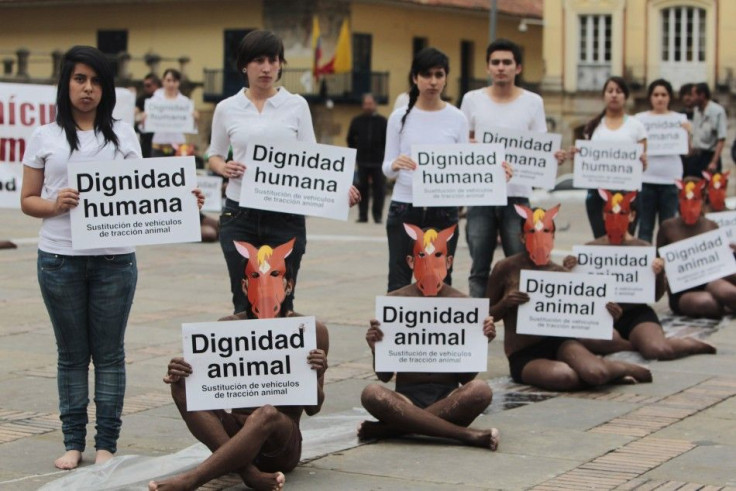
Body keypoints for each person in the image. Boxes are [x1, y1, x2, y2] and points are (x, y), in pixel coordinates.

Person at [19, 46, 203, 470]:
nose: (88, 89)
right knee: (70, 354)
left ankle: (106, 444)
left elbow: (144, 189)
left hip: (114, 261)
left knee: (109, 354)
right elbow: (28, 200)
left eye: (97, 81)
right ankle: (72, 443)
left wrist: (179, 197)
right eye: (80, 79)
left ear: (107, 89)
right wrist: (55, 204)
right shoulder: (45, 136)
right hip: (59, 258)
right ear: (65, 84)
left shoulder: (122, 134)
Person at [149, 238, 328, 491]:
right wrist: (182, 371)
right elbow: (205, 386)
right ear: (245, 285)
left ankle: (193, 479)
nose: (265, 287)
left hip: (281, 442)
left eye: (275, 277)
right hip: (233, 433)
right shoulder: (228, 327)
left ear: (289, 285)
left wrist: (318, 372)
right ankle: (248, 473)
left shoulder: (311, 330)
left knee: (266, 412)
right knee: (181, 386)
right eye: (255, 278)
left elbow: (314, 408)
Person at [207, 29, 360, 314]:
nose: (266, 68)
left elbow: (313, 160)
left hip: (285, 215)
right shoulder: (227, 108)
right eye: (258, 60)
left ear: (280, 64)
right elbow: (212, 154)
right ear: (244, 64)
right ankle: (247, 358)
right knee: (244, 300)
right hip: (239, 213)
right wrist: (223, 166)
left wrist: (340, 189)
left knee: (282, 300)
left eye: (273, 60)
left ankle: (282, 358)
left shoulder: (296, 105)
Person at [359, 223, 499, 450]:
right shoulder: (395, 301)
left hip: (449, 398)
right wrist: (376, 347)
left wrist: (480, 341)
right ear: (410, 262)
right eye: (421, 256)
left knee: (481, 390)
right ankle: (466, 435)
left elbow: (466, 378)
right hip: (406, 400)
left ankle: (392, 428)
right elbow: (384, 377)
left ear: (449, 261)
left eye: (438, 256)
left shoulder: (463, 304)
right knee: (372, 393)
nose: (429, 263)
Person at [486, 204, 653, 391]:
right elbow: (486, 316)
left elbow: (585, 313)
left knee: (596, 373)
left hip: (562, 343)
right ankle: (605, 376)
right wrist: (505, 304)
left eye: (547, 232)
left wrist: (609, 314)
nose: (540, 237)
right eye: (532, 231)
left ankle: (619, 369)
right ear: (522, 236)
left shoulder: (561, 273)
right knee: (564, 377)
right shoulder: (506, 268)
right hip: (523, 353)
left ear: (554, 236)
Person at [460, 38, 565, 298]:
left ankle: (519, 329)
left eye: (507, 62)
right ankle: (478, 326)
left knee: (519, 264)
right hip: (480, 194)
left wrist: (553, 157)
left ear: (518, 68)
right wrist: (467, 143)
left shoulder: (533, 102)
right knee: (479, 268)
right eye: (495, 62)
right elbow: (459, 142)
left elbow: (541, 146)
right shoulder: (472, 100)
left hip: (517, 196)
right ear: (487, 67)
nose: (501, 67)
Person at [563, 190, 715, 360]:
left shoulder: (642, 248)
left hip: (636, 313)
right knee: (591, 340)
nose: (616, 217)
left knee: (658, 350)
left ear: (632, 216)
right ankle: (634, 346)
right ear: (604, 215)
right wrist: (570, 271)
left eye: (622, 213)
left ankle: (687, 344)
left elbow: (656, 296)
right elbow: (578, 295)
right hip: (602, 313)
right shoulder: (589, 249)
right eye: (610, 213)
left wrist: (659, 273)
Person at [382, 47, 467, 293]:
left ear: (446, 78)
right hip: (404, 205)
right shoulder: (399, 118)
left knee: (441, 278)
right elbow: (387, 167)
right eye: (426, 75)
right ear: (415, 78)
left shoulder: (457, 118)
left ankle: (440, 331)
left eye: (439, 75)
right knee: (399, 277)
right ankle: (397, 330)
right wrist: (396, 164)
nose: (433, 81)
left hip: (443, 208)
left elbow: (465, 167)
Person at [657, 177, 736, 318]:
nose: (690, 204)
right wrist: (659, 266)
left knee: (729, 293)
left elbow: (722, 264)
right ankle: (723, 307)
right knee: (706, 303)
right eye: (685, 199)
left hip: (709, 280)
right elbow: (657, 261)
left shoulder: (711, 225)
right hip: (683, 289)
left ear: (703, 198)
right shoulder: (667, 227)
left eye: (695, 199)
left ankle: (726, 304)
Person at [579, 77, 647, 239]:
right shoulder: (594, 126)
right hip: (598, 194)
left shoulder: (636, 126)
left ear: (626, 96)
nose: (614, 95)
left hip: (627, 194)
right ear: (604, 96)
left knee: (625, 239)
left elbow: (642, 164)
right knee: (601, 239)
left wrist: (643, 161)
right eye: (610, 91)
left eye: (619, 91)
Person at [634, 79, 689, 243]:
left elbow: (689, 151)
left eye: (663, 95)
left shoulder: (680, 120)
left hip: (670, 180)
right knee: (645, 227)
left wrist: (689, 133)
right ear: (650, 97)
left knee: (668, 227)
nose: (660, 98)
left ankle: (664, 264)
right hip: (646, 179)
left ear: (669, 97)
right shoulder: (639, 120)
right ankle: (645, 264)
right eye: (656, 94)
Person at [347, 93, 387, 224]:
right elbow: (350, 138)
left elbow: (388, 141)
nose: (368, 106)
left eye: (370, 104)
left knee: (379, 190)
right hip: (362, 161)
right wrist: (356, 152)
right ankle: (362, 215)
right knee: (361, 189)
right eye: (366, 104)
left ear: (375, 104)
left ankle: (378, 216)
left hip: (379, 162)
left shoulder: (383, 121)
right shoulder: (357, 121)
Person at [146, 68, 198, 158]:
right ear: (163, 81)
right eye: (168, 80)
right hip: (159, 145)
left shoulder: (184, 102)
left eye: (174, 81)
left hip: (178, 146)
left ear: (178, 83)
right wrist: (144, 118)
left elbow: (191, 127)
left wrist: (195, 118)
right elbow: (146, 124)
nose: (171, 84)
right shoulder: (155, 100)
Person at [688, 83, 727, 177]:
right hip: (696, 156)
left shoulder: (717, 111)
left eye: (693, 95)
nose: (691, 98)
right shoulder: (696, 110)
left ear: (702, 95)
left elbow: (721, 139)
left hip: (709, 156)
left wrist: (714, 162)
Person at [134, 73, 161, 158]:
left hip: (161, 137)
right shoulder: (142, 99)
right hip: (146, 138)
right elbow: (134, 114)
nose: (145, 88)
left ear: (156, 85)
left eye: (148, 85)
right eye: (144, 85)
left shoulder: (163, 98)